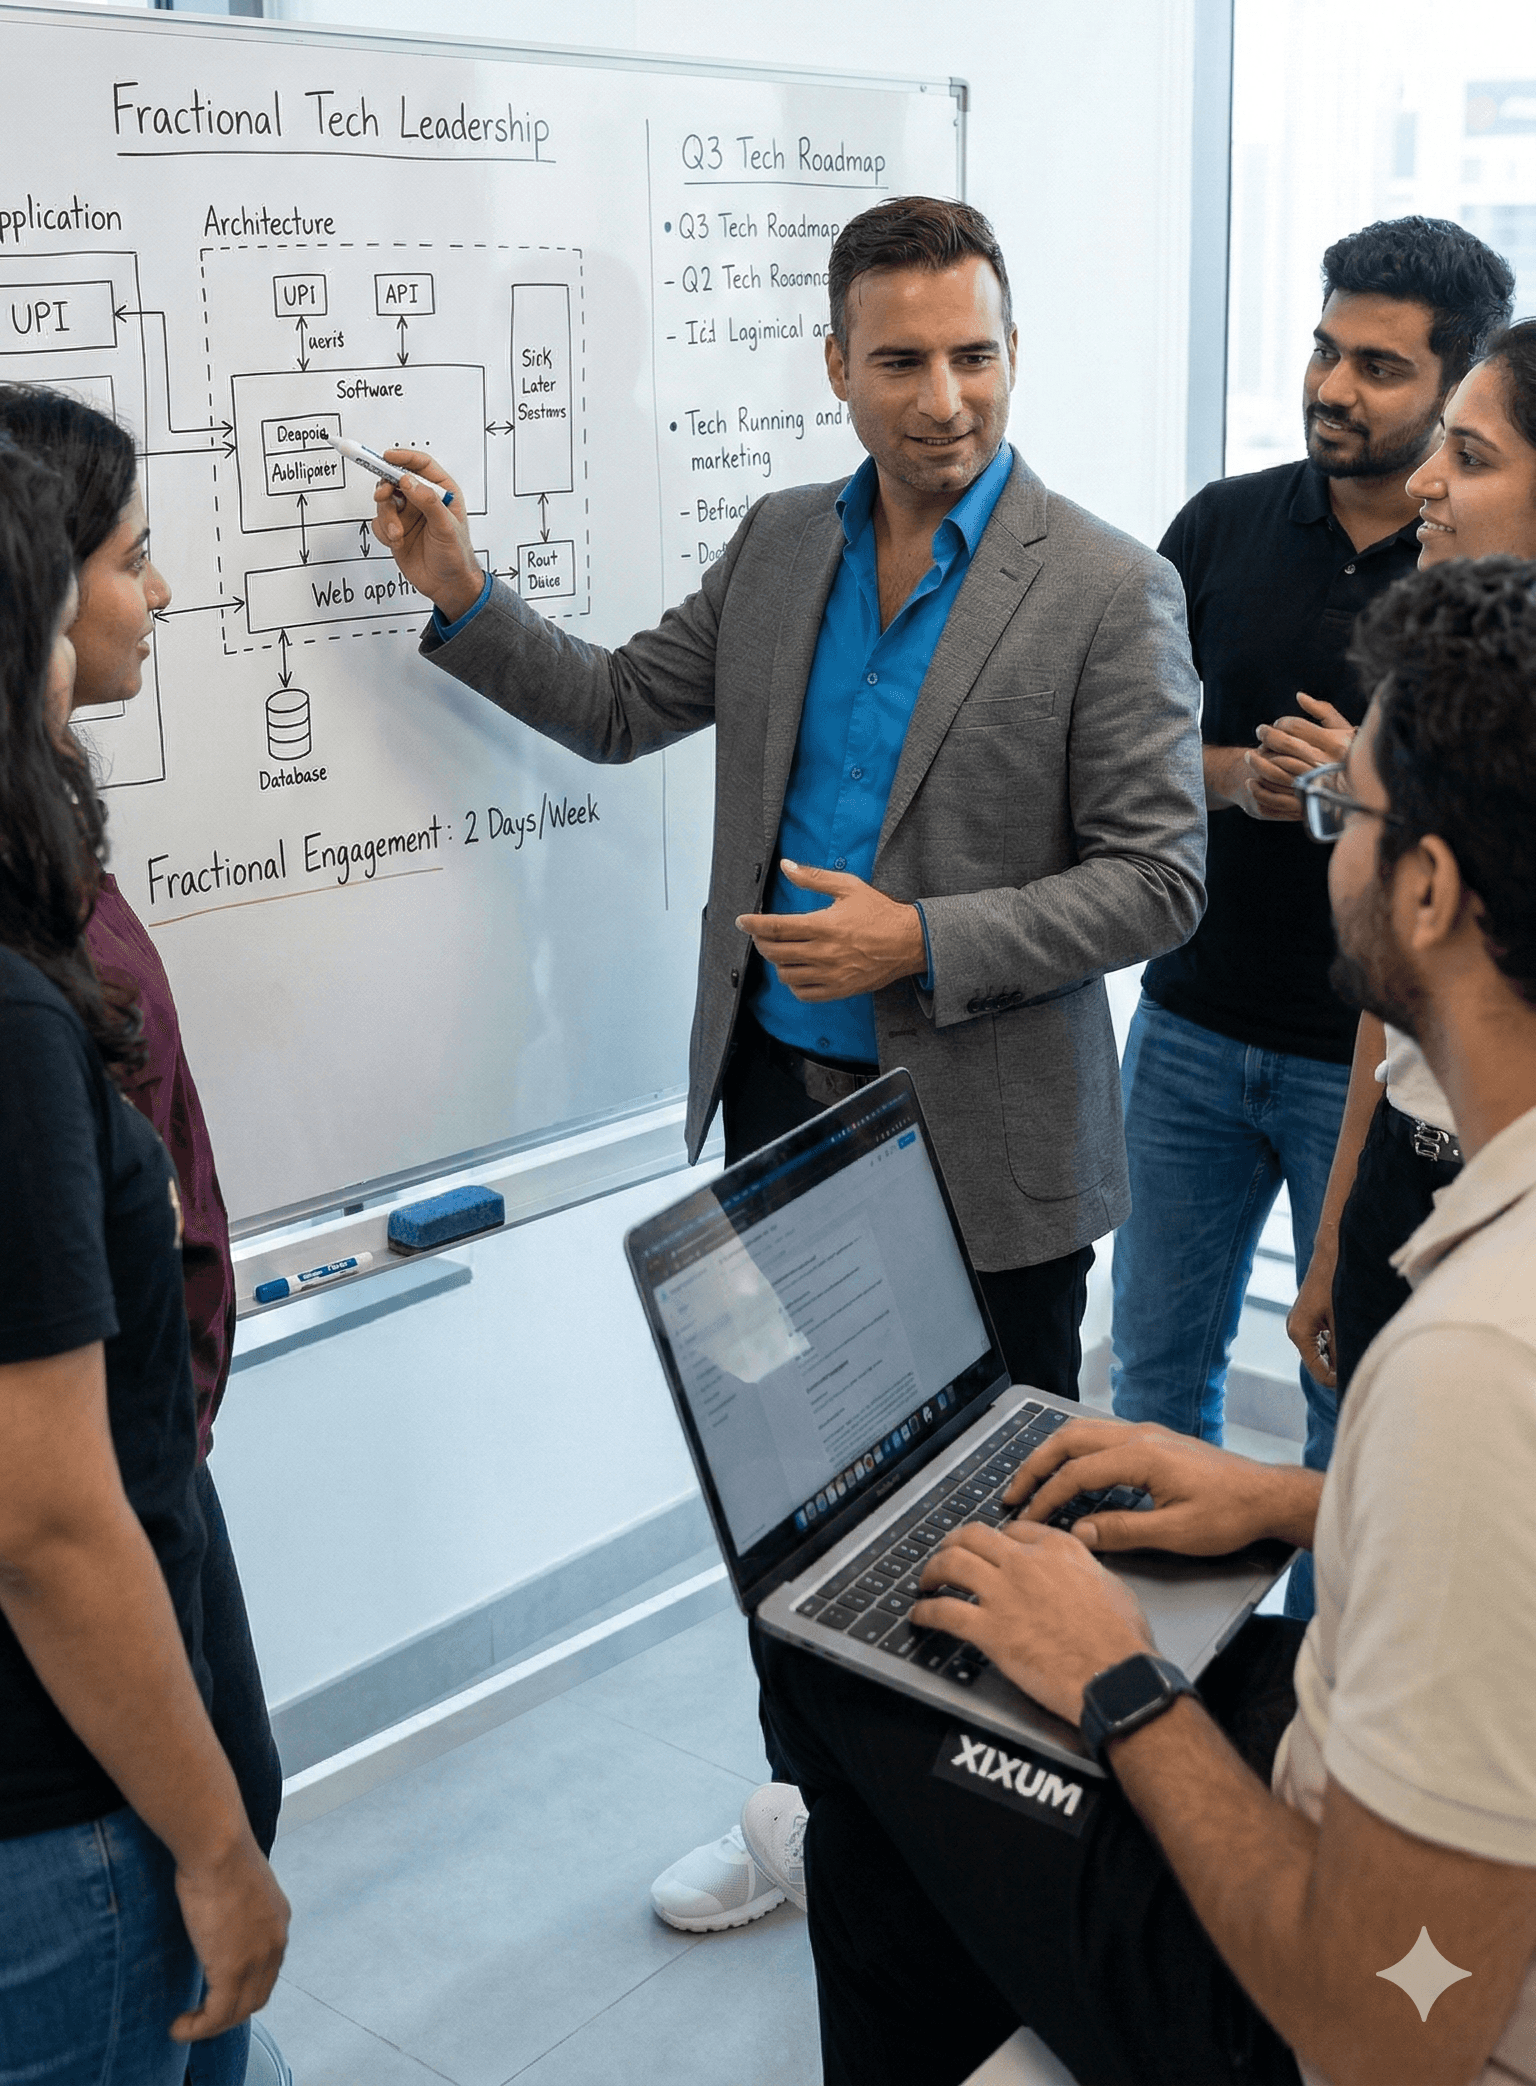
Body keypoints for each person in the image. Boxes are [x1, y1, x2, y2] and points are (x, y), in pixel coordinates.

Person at [368, 194, 1206, 1929]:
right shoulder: (776, 549)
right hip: (782, 1123)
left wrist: (925, 941)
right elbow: (616, 704)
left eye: (973, 353)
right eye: (900, 358)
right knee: (795, 1522)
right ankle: (818, 1821)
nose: (943, 394)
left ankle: (992, 1871)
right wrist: (462, 593)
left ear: (1012, 353)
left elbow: (1163, 876)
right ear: (836, 366)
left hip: (991, 1155)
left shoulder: (1108, 586)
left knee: (992, 1536)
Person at [754, 553, 1536, 2086]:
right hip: (1391, 1815)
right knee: (906, 1800)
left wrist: (1117, 1682)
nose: (1325, 852)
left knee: (844, 1676)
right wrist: (1302, 1499)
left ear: (1430, 890)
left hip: (1331, 2013)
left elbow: (1387, 2033)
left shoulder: (1471, 1363)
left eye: (1344, 816)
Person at [1110, 214, 1512, 1616]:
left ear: (1454, 386)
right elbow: (1121, 761)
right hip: (1191, 1031)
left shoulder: (1477, 590)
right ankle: (1149, 1689)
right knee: (1155, 1383)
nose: (1336, 386)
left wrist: (1359, 793)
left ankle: (1307, 1713)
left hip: (1390, 1071)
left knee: (1359, 1422)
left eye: (1385, 370)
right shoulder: (1220, 527)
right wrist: (1240, 780)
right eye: (1326, 350)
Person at [0, 384, 288, 2086]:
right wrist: (219, 1850)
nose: (161, 590)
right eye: (127, 557)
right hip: (69, 1816)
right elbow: (45, 1522)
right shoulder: (19, 1016)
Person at [1287, 317, 1536, 1399]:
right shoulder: (1422, 684)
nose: (1426, 482)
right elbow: (1393, 1021)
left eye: (1471, 457)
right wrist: (1342, 1223)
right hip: (1410, 1166)